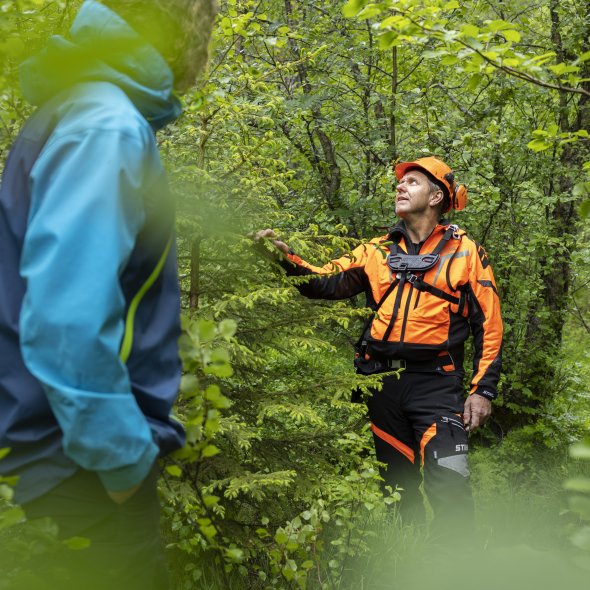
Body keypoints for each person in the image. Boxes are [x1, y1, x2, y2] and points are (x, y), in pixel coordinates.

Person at [0, 1, 216, 587]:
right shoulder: (105, 123)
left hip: (60, 459)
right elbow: (67, 320)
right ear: (184, 27)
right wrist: (121, 463)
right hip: (80, 472)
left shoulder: (82, 107)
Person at [255, 156, 503, 536]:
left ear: (437, 196)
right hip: (382, 384)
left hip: (437, 385)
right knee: (396, 493)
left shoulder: (466, 253)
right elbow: (324, 282)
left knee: (450, 486)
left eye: (413, 182)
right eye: (400, 183)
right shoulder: (377, 251)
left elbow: (488, 324)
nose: (400, 187)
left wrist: (482, 390)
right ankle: (405, 563)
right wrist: (283, 257)